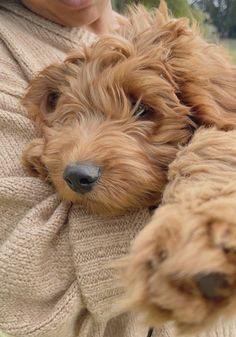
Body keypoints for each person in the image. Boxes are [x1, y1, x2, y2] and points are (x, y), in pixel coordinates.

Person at [0, 1, 235, 337]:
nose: (82, 153)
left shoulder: (166, 49)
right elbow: (30, 277)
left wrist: (208, 164)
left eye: (141, 111)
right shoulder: (7, 53)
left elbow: (225, 131)